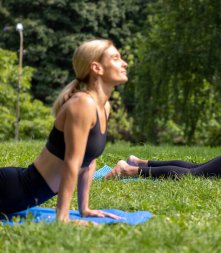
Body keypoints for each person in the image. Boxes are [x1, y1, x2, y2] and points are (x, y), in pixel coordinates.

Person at [0, 39, 128, 223]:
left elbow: (88, 161)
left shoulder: (103, 106)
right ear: (96, 68)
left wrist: (84, 209)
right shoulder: (82, 104)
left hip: (20, 197)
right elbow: (72, 162)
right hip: (10, 189)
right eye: (116, 58)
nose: (124, 63)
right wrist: (63, 217)